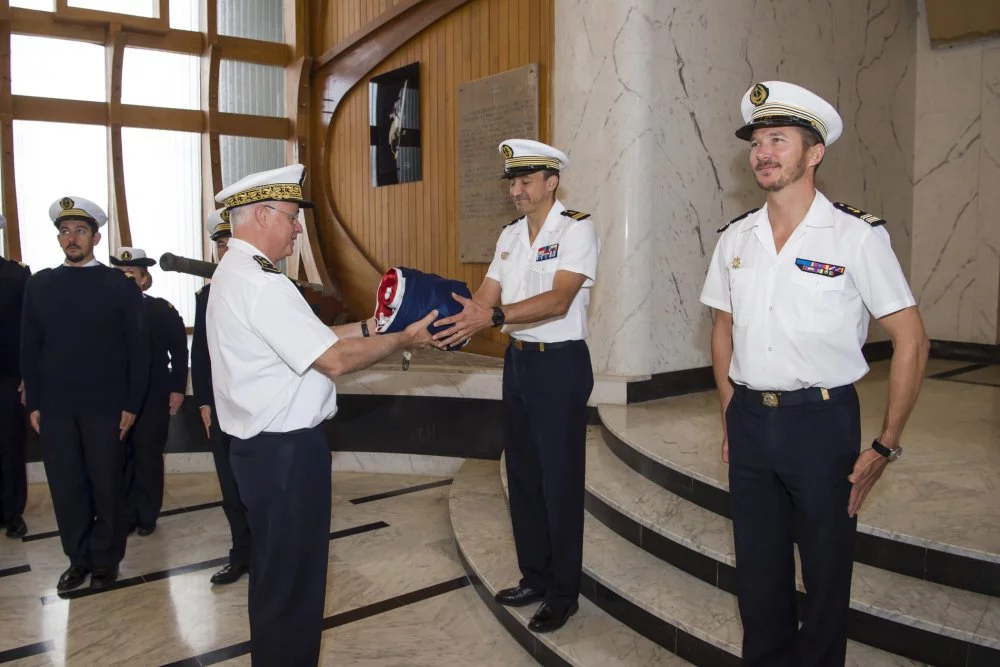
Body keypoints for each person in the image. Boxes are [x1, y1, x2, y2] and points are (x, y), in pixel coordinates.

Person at [699, 81, 930, 666]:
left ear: (814, 153)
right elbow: (723, 328)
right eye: (756, 142)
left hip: (821, 421)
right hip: (751, 419)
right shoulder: (735, 237)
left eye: (779, 139)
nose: (763, 153)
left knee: (826, 576)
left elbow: (911, 338)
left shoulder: (856, 235)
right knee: (758, 577)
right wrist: (731, 408)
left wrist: (887, 442)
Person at [206, 164, 440, 665]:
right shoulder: (264, 284)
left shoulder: (236, 271)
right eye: (292, 217)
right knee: (295, 585)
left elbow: (314, 341)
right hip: (287, 456)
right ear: (263, 214)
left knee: (276, 579)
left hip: (259, 453)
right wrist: (403, 338)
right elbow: (332, 361)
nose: (296, 229)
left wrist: (372, 325)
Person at [432, 139, 600, 633]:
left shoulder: (576, 228)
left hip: (561, 364)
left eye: (526, 180)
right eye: (512, 180)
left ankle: (564, 593)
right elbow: (485, 296)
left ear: (552, 182)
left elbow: (559, 300)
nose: (517, 189)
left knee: (559, 481)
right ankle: (535, 576)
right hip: (520, 363)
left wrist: (496, 315)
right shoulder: (509, 236)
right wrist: (453, 323)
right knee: (523, 475)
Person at [21, 196, 149, 591]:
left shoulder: (118, 285)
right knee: (67, 486)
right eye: (64, 232)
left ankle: (106, 559)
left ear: (95, 237)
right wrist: (36, 403)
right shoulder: (40, 284)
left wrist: (131, 405)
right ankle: (77, 559)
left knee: (106, 484)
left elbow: (138, 350)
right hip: (57, 408)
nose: (71, 238)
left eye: (79, 231)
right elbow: (30, 347)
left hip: (105, 408)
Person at [191, 208, 250, 585]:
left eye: (232, 244)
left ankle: (268, 555)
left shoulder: (268, 289)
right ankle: (241, 555)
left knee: (259, 491)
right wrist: (204, 402)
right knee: (230, 488)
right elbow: (201, 354)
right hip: (221, 410)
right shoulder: (206, 295)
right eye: (220, 245)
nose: (225, 251)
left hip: (259, 409)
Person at [111, 247, 187, 536]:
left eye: (132, 274)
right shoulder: (106, 313)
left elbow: (179, 352)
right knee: (120, 458)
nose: (126, 279)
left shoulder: (159, 310)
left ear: (144, 279)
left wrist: (177, 389)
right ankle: (126, 513)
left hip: (153, 397)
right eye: (120, 274)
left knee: (147, 457)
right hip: (115, 399)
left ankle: (146, 515)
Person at [0, 214, 30, 539]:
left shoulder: (16, 275)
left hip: (7, 377)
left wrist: (27, 373)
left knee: (10, 447)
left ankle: (13, 513)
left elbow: (29, 330)